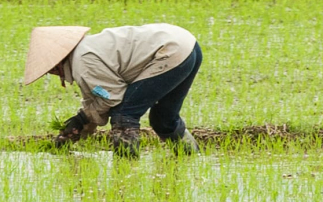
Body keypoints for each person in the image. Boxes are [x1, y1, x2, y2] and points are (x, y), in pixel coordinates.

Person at [21, 23, 202, 159]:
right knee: (163, 119)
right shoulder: (86, 51)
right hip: (188, 45)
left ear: (57, 63)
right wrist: (80, 125)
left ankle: (125, 170)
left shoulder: (83, 63)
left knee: (124, 114)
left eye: (50, 69)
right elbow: (99, 97)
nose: (52, 73)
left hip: (170, 53)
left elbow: (112, 98)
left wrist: (82, 119)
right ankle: (192, 159)